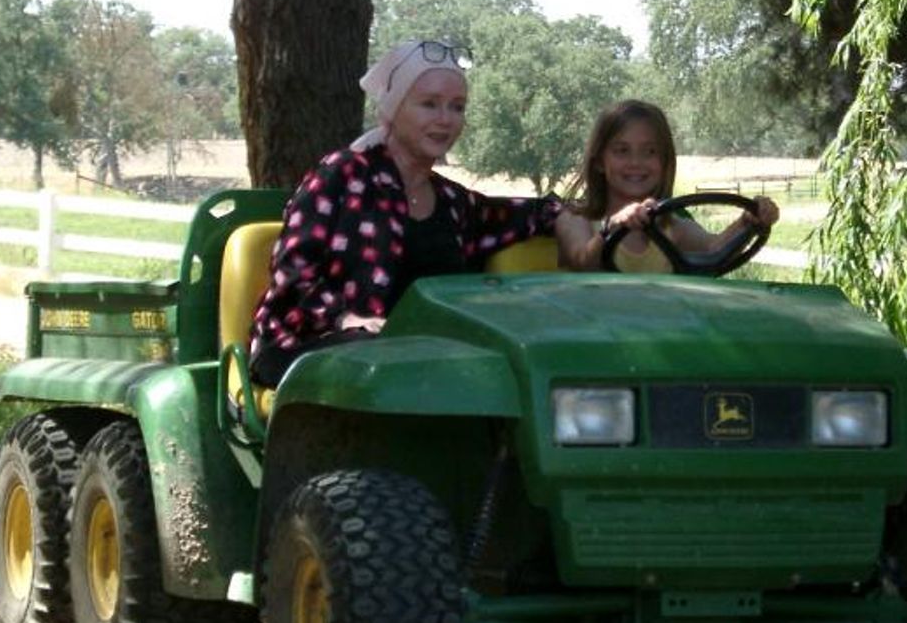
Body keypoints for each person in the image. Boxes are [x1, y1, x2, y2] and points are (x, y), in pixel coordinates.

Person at [249, 39, 577, 386]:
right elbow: (293, 272)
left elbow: (521, 214)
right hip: (310, 347)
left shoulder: (453, 202)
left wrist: (568, 216)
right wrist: (344, 318)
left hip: (413, 361)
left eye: (457, 107)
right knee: (380, 358)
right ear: (393, 108)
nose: (444, 119)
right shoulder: (342, 174)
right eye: (429, 104)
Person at [556, 99, 779, 272]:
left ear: (664, 162)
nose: (636, 163)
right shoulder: (575, 220)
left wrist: (748, 222)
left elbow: (714, 248)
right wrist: (612, 227)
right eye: (622, 151)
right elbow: (582, 261)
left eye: (650, 152)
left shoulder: (672, 229)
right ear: (599, 163)